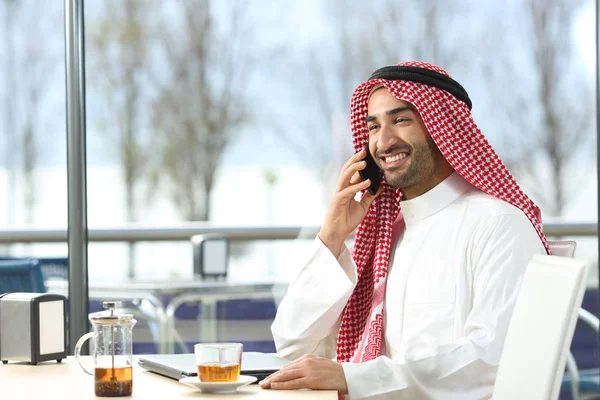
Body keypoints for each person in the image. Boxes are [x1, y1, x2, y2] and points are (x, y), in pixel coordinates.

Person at [259, 61, 549, 399]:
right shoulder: (388, 236)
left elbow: (488, 363)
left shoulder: (499, 225)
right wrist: (332, 236)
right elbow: (292, 345)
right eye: (373, 127)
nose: (383, 142)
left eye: (401, 120)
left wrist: (352, 377)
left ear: (444, 129)